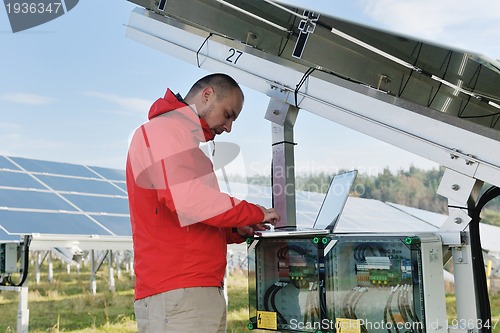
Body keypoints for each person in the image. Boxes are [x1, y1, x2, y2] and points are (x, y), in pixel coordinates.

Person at [126, 73, 280, 333]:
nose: (229, 127)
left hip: (194, 291)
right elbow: (186, 200)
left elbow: (188, 216)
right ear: (207, 95)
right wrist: (253, 212)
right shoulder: (163, 131)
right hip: (178, 292)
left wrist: (232, 230)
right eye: (228, 114)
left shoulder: (184, 143)